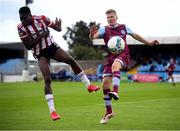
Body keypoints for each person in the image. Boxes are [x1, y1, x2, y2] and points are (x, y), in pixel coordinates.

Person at [17, 6, 100, 121]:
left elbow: (57, 28)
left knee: (70, 60)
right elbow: (28, 46)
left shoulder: (42, 19)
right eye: (21, 19)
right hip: (40, 53)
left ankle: (88, 85)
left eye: (24, 18)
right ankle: (53, 111)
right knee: (47, 79)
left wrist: (58, 27)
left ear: (30, 15)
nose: (22, 21)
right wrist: (42, 35)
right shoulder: (21, 28)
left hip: (51, 47)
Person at [89, 9, 159, 124]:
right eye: (108, 17)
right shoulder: (104, 29)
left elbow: (135, 35)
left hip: (123, 54)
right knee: (105, 85)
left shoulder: (123, 27)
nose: (110, 19)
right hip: (110, 57)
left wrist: (148, 43)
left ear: (116, 17)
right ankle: (109, 112)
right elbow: (94, 37)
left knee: (115, 66)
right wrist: (91, 33)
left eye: (112, 16)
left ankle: (116, 91)